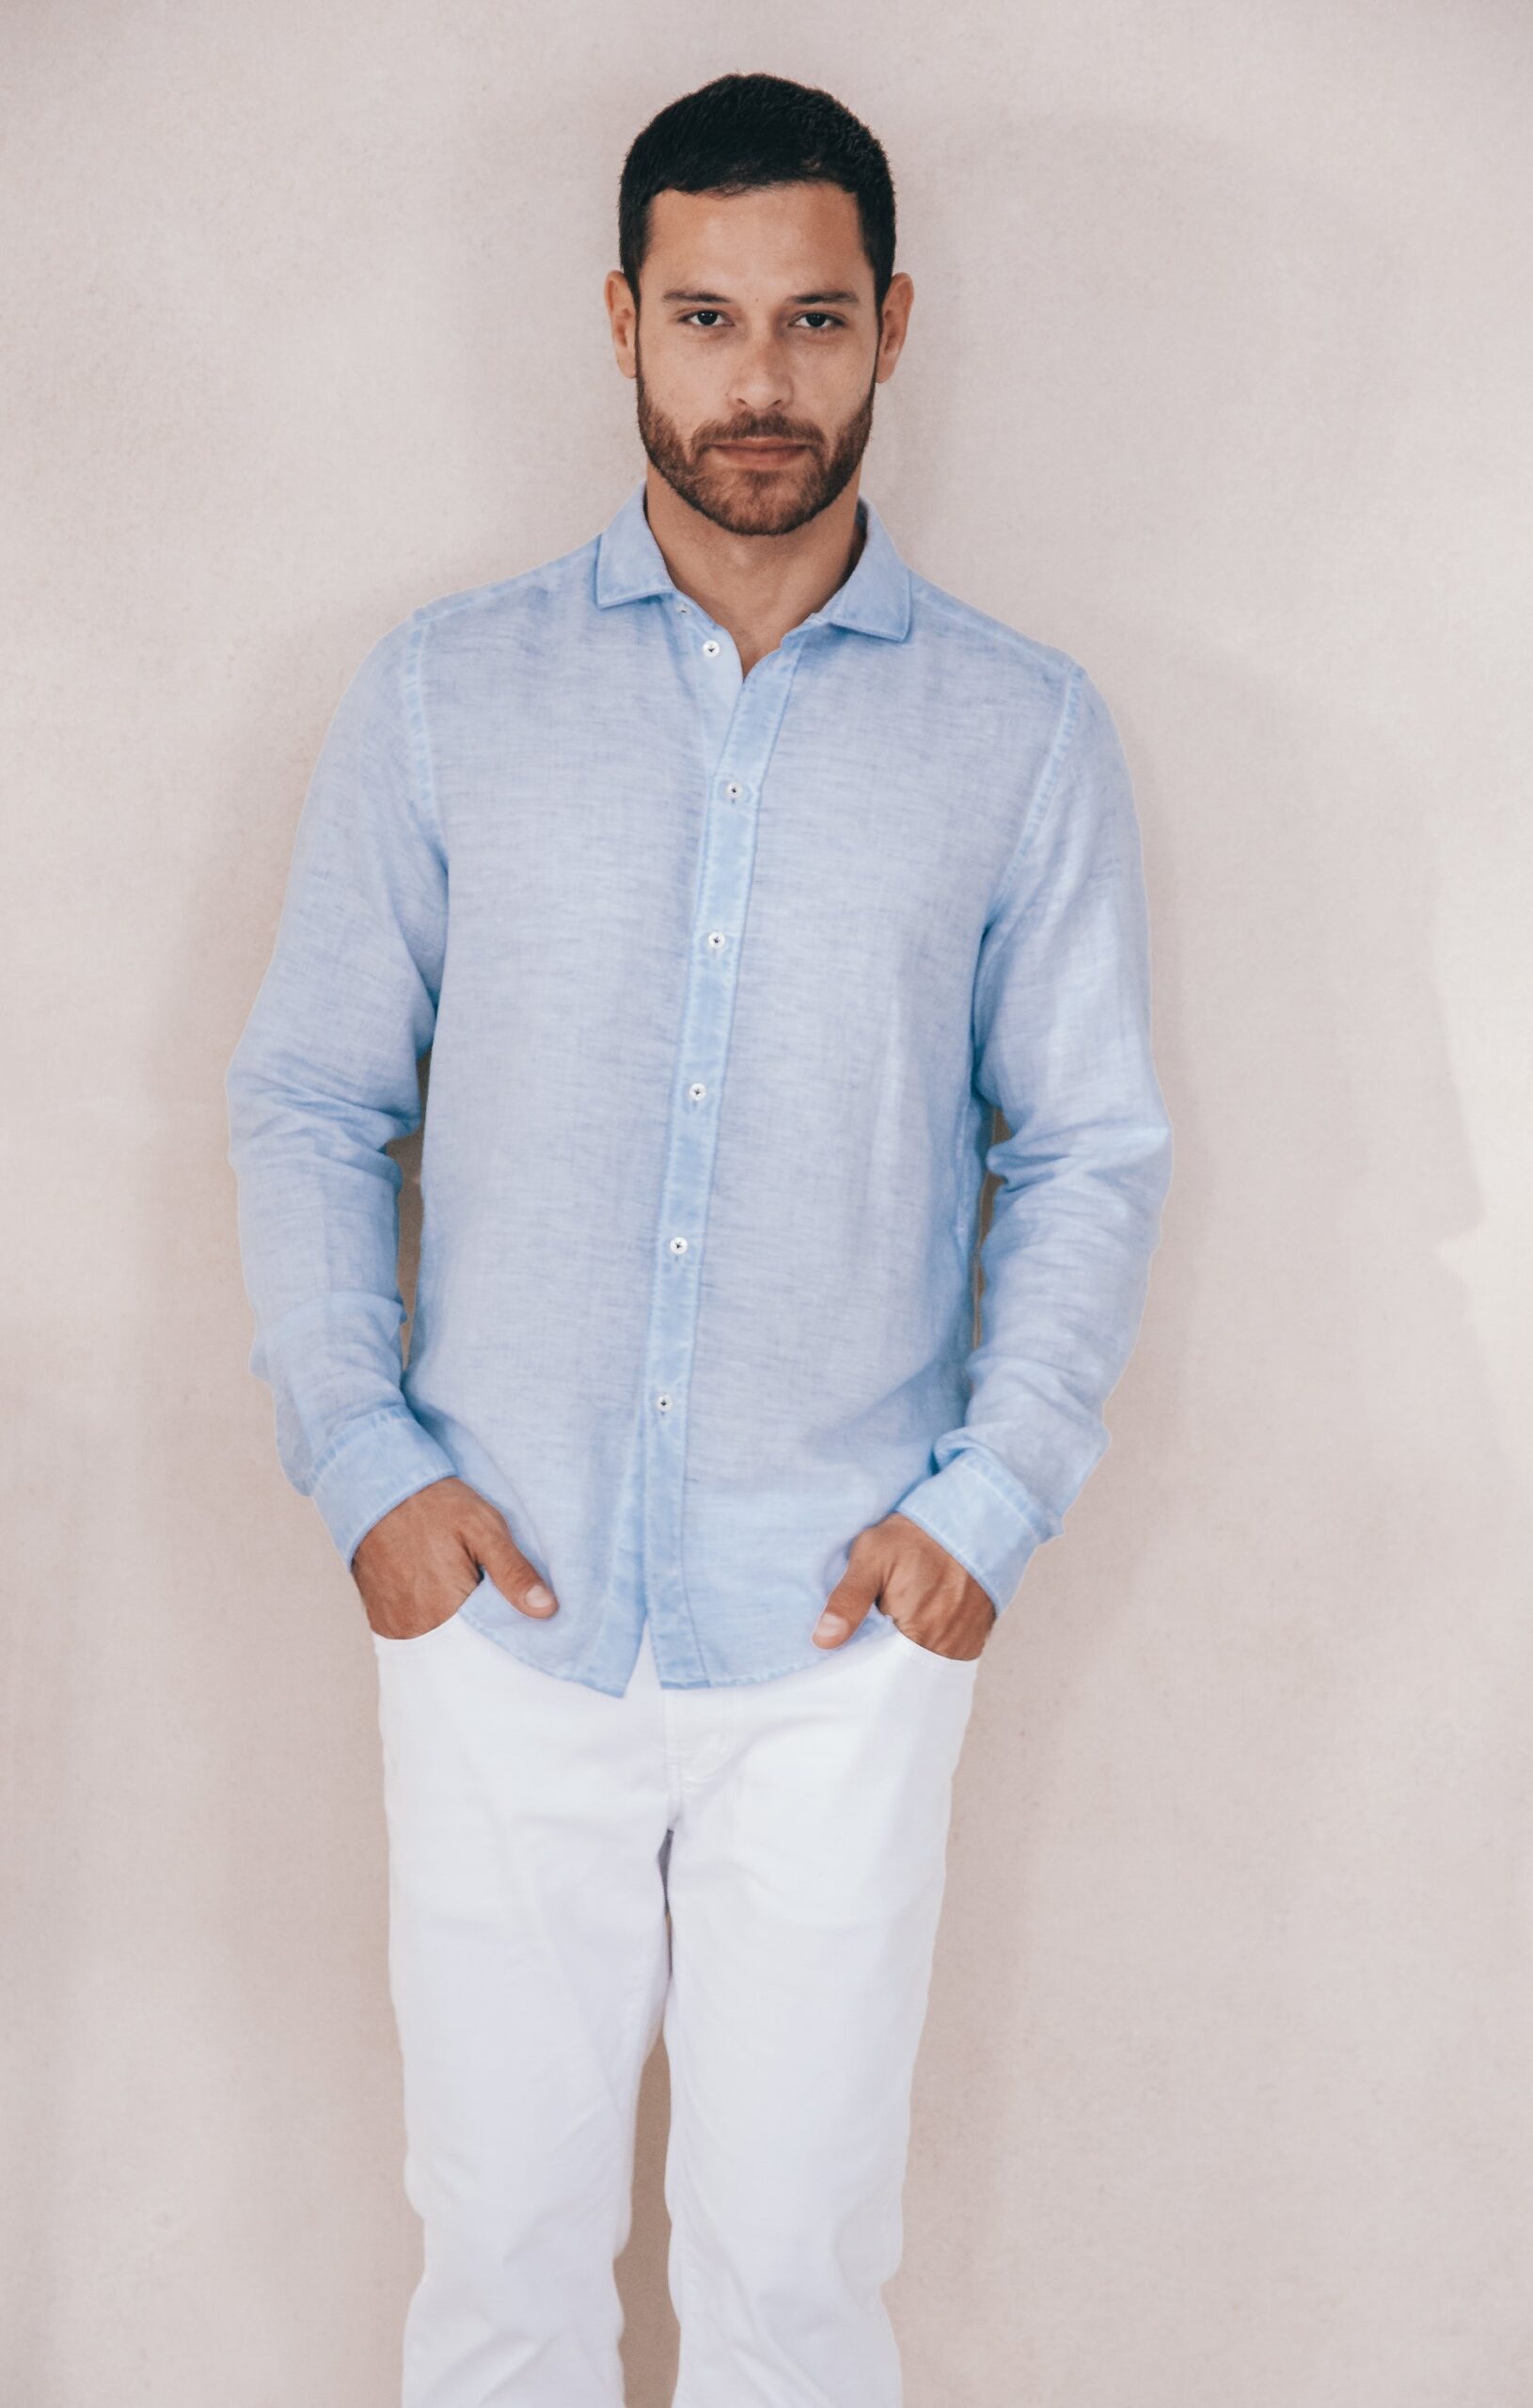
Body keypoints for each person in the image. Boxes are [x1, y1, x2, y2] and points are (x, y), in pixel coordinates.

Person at [223, 67, 1173, 2408]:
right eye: (710, 317)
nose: (761, 382)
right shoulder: (444, 694)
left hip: (840, 1626)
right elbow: (314, 1093)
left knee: (793, 2286)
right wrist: (366, 1467)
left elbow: (1086, 1144)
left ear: (892, 328)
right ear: (622, 320)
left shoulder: (1020, 731)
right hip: (496, 1605)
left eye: (814, 321)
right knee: (501, 2270)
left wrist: (990, 1502)